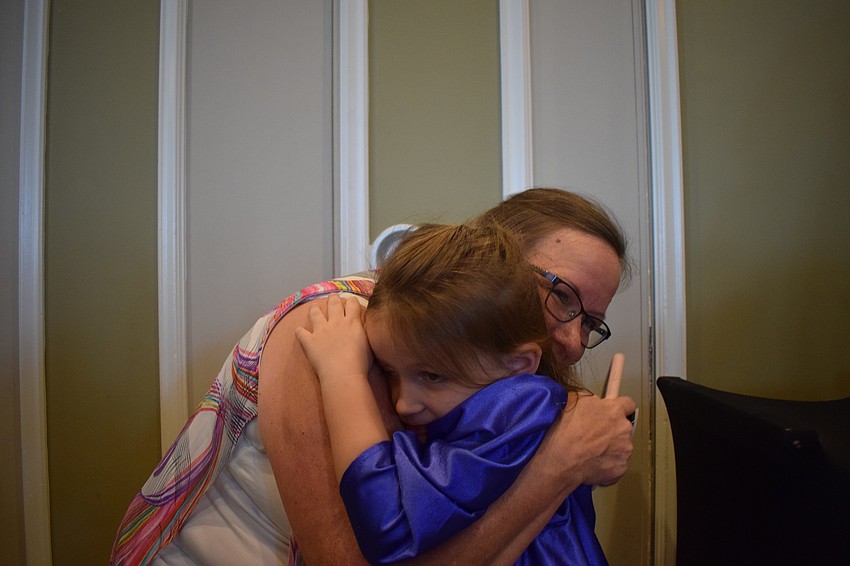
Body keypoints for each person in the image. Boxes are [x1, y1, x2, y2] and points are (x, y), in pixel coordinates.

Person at [109, 187, 635, 565]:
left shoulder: (493, 380)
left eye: (591, 323)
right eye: (562, 296)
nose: (570, 342)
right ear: (493, 252)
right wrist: (564, 460)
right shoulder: (336, 331)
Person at [296, 223, 608, 565]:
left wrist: (343, 375)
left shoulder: (518, 411)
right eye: (389, 373)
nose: (404, 403)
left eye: (432, 376)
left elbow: (392, 529)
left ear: (518, 366)